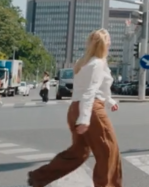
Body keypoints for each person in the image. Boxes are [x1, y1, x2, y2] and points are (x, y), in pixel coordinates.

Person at [27, 29, 122, 187]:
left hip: (75, 108)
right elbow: (90, 91)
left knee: (79, 152)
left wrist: (110, 101)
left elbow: (91, 89)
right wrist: (84, 119)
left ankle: (39, 177)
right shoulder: (97, 63)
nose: (111, 43)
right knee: (108, 151)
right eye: (109, 40)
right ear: (104, 44)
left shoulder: (84, 62)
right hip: (91, 109)